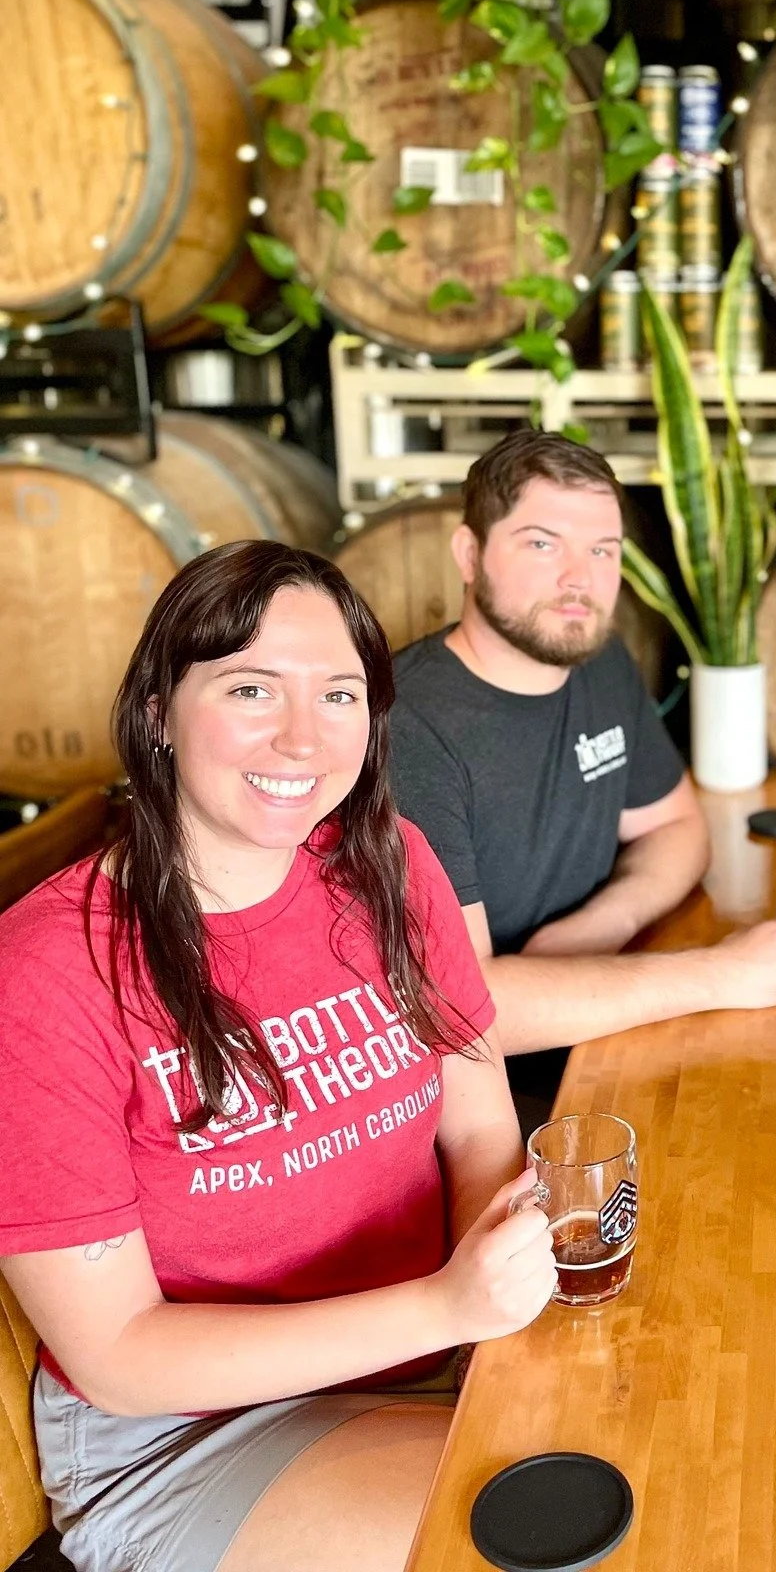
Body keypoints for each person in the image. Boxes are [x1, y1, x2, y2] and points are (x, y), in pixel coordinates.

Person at [0, 542, 559, 1572]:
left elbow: (477, 1119)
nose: (304, 737)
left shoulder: (388, 863)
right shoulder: (47, 969)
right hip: (182, 1433)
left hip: (417, 1357)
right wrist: (444, 1305)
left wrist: (496, 1296)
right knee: (548, 1534)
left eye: (340, 694)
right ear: (159, 712)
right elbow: (118, 1357)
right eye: (252, 688)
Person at [388, 429, 776, 1126]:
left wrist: (598, 925)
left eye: (602, 551)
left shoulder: (599, 664)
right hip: (474, 1109)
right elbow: (462, 1013)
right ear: (469, 553)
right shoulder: (407, 727)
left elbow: (676, 826)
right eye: (543, 544)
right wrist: (724, 974)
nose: (580, 579)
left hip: (600, 1033)